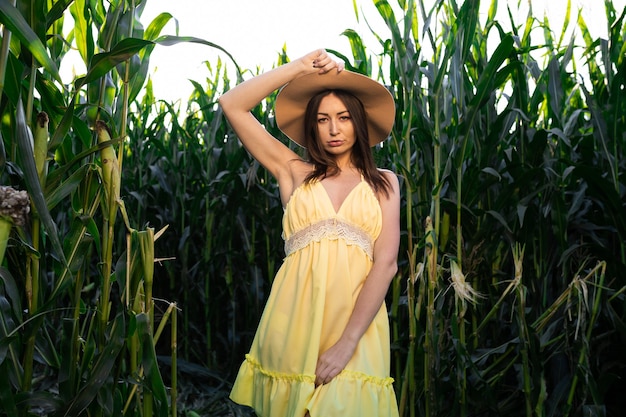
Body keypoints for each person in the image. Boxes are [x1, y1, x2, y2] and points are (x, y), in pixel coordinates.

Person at [218, 49, 400, 417]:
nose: (334, 129)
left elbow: (386, 264)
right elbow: (232, 104)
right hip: (294, 323)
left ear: (359, 123)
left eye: (344, 118)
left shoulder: (384, 183)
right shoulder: (293, 171)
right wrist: (301, 67)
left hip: (357, 329)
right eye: (322, 119)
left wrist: (347, 344)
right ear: (311, 126)